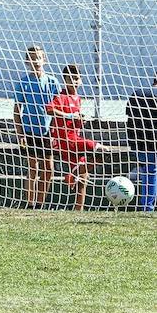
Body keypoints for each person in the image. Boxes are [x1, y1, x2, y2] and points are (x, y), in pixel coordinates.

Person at [45, 64, 107, 211]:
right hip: (64, 141)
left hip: (75, 139)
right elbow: (49, 109)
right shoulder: (61, 96)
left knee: (84, 178)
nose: (75, 81)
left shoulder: (77, 98)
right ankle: (72, 175)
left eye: (77, 78)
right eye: (71, 78)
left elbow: (74, 121)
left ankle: (78, 210)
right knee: (99, 149)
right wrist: (69, 115)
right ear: (65, 80)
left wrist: (80, 120)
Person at [13, 45, 60, 209]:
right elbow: (17, 110)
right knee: (33, 167)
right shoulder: (23, 83)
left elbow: (58, 109)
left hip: (47, 132)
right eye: (32, 58)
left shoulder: (53, 82)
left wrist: (56, 131)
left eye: (38, 57)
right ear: (27, 62)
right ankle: (30, 203)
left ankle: (41, 203)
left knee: (49, 169)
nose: (36, 61)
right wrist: (20, 134)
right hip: (29, 131)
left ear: (44, 60)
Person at [126, 72, 157, 212]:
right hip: (152, 144)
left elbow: (129, 120)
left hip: (139, 144)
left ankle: (147, 206)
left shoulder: (137, 94)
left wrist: (132, 143)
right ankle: (147, 207)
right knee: (151, 172)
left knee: (148, 171)